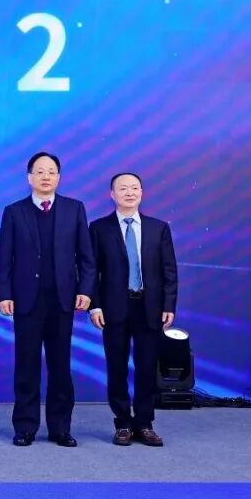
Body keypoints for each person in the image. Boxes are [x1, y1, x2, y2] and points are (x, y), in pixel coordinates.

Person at [0, 152, 94, 447]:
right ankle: (25, 427)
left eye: (51, 171)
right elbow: (5, 258)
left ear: (59, 177)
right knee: (26, 366)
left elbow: (86, 257)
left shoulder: (74, 209)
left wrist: (85, 290)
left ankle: (60, 428)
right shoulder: (14, 212)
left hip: (63, 300)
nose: (45, 176)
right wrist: (4, 294)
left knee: (60, 366)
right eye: (39, 171)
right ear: (30, 178)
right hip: (27, 300)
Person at [90, 172, 178, 447]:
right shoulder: (99, 228)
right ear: (112, 194)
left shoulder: (158, 228)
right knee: (116, 367)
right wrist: (95, 305)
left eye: (135, 188)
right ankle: (123, 423)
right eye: (123, 188)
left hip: (149, 306)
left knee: (147, 366)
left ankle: (145, 423)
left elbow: (169, 270)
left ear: (141, 193)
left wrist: (168, 305)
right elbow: (91, 271)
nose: (129, 193)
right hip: (114, 307)